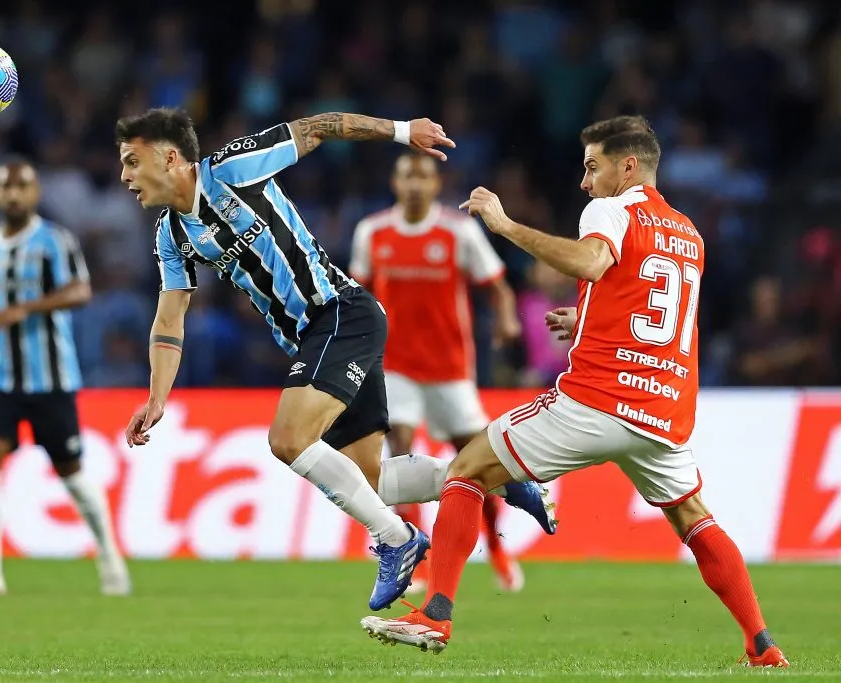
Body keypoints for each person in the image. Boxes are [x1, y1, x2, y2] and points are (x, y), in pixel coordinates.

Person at [359, 116, 788, 668]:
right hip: (664, 411)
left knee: (466, 471)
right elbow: (652, 308)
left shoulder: (611, 209)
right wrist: (583, 317)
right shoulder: (687, 231)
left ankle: (434, 614)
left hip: (597, 401)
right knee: (693, 518)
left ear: (627, 166)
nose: (585, 182)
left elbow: (591, 260)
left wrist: (505, 224)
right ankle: (763, 645)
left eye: (592, 167)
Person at [115, 108, 555, 611]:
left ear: (171, 157)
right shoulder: (171, 235)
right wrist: (156, 399)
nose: (125, 177)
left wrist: (403, 132)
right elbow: (169, 320)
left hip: (341, 312)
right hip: (312, 339)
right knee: (369, 481)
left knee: (288, 438)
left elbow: (320, 127)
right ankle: (500, 477)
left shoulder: (232, 169)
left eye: (132, 161)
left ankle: (397, 540)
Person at [0, 161, 130, 597]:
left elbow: (80, 290)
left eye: (23, 186)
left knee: (71, 473)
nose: (14, 194)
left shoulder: (54, 242)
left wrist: (27, 308)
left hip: (49, 379)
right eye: (6, 187)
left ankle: (109, 552)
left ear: (36, 193)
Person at [350, 152, 544, 595]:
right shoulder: (372, 231)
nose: (415, 184)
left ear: (436, 185)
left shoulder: (458, 231)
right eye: (406, 176)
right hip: (395, 365)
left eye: (423, 177)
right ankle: (413, 555)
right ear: (395, 183)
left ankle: (497, 549)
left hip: (450, 371)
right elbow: (358, 294)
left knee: (479, 463)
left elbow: (496, 285)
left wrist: (508, 318)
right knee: (397, 452)